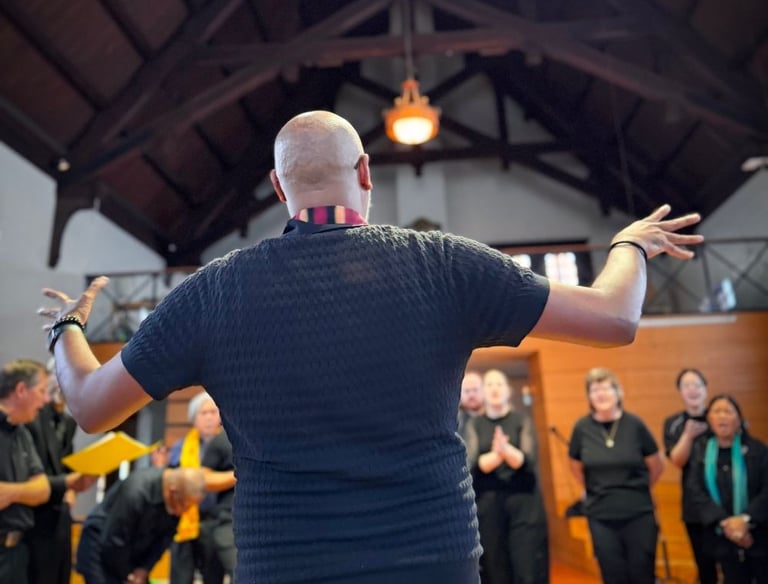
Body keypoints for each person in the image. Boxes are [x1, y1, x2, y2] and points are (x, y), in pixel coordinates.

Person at [38, 110, 703, 584]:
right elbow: (616, 316)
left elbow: (90, 405)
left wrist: (67, 328)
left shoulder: (215, 290)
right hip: (432, 562)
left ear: (278, 187)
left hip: (283, 566)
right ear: (365, 170)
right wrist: (629, 244)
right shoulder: (442, 264)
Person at [568, 367, 665, 584]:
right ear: (589, 397)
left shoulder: (635, 424)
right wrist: (594, 488)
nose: (601, 394)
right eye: (594, 390)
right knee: (612, 575)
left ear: (618, 392)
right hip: (600, 515)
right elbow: (575, 466)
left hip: (638, 512)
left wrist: (639, 487)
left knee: (642, 574)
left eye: (606, 388)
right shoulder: (582, 428)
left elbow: (656, 465)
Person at [465, 369, 548, 584]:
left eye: (499, 384)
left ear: (508, 391)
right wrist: (499, 454)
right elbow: (473, 464)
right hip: (489, 506)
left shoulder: (522, 420)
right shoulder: (474, 424)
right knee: (496, 567)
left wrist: (504, 450)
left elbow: (527, 460)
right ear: (483, 392)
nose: (494, 389)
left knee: (526, 567)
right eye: (489, 385)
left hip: (524, 504)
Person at [25, 361, 98, 584]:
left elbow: (67, 461)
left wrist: (73, 488)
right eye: (60, 378)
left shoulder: (68, 422)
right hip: (35, 513)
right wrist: (66, 483)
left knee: (62, 571)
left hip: (61, 510)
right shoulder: (32, 417)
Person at [75, 466, 205, 584]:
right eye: (184, 505)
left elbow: (163, 540)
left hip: (129, 554)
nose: (184, 512)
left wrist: (144, 568)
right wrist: (128, 575)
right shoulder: (136, 491)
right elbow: (115, 539)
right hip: (101, 548)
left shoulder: (178, 500)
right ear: (172, 491)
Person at [687, 395, 768, 584]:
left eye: (728, 411)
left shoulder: (758, 450)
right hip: (722, 535)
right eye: (717, 411)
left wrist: (745, 520)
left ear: (739, 419)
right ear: (709, 419)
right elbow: (695, 490)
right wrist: (727, 525)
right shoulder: (700, 452)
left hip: (758, 534)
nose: (722, 416)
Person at [0, 359, 52, 584]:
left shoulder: (22, 433)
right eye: (41, 391)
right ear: (21, 390)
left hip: (17, 554)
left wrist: (10, 492)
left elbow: (43, 490)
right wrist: (25, 491)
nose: (46, 400)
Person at [662, 368, 715, 584]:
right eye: (686, 385)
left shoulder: (720, 415)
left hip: (725, 498)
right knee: (704, 564)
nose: (692, 389)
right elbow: (676, 461)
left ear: (705, 388)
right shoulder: (673, 423)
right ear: (680, 392)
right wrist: (688, 435)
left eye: (697, 384)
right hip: (694, 503)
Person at [168, 391, 224, 584]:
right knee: (180, 577)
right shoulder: (181, 447)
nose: (209, 418)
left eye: (213, 412)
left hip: (215, 520)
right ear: (193, 418)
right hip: (184, 518)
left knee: (213, 577)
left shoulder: (227, 445)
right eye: (203, 413)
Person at [458, 370, 485, 441]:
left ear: (483, 391)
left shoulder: (493, 416)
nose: (471, 395)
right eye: (467, 391)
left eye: (475, 390)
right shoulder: (454, 420)